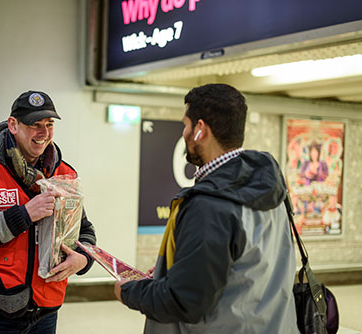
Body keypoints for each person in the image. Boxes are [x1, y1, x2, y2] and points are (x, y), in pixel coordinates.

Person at [114, 84, 298, 333]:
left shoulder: (209, 205)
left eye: (186, 125)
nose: (184, 133)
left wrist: (129, 291)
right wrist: (174, 272)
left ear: (200, 130)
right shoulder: (271, 185)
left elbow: (186, 301)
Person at [0, 90, 97, 334]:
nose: (44, 133)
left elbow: (85, 231)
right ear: (13, 125)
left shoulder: (65, 174)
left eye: (49, 125)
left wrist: (84, 259)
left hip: (45, 314)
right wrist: (25, 214)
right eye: (34, 125)